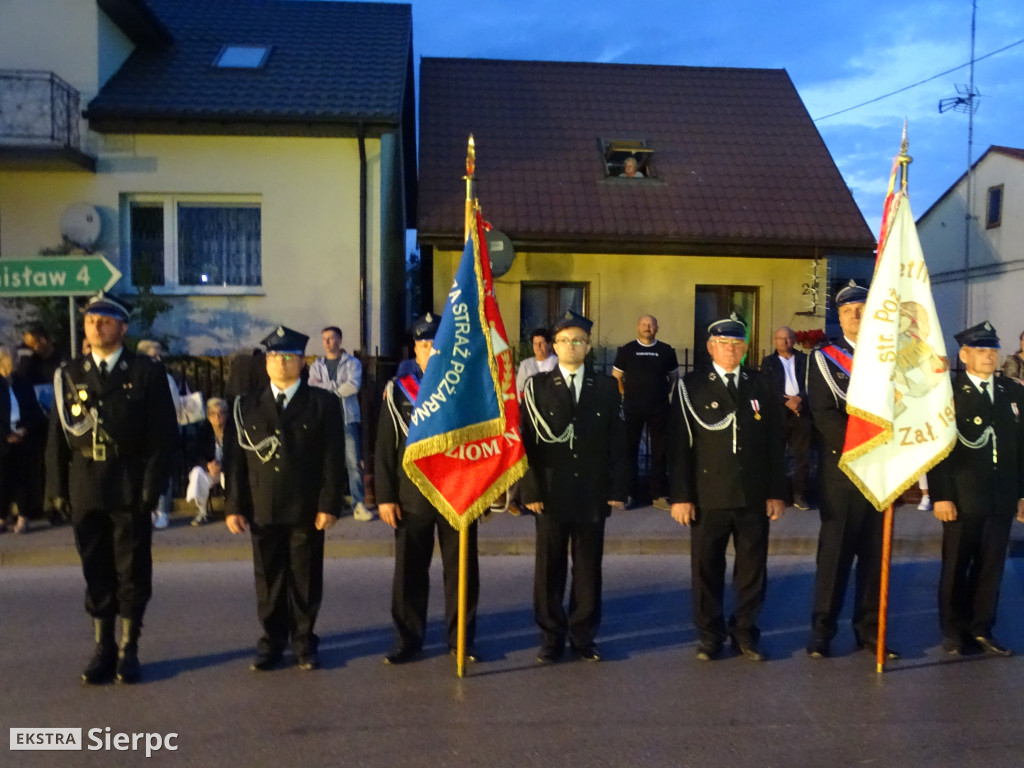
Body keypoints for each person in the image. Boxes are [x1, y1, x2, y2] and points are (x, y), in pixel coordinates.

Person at [46, 294, 178, 684]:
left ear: (123, 327)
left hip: (128, 481)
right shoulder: (70, 373)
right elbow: (57, 437)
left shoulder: (145, 372)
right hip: (86, 482)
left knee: (132, 567)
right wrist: (56, 487)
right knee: (95, 566)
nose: (96, 326)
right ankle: (102, 647)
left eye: (105, 320)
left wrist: (151, 489)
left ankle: (128, 648)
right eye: (90, 320)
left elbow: (162, 438)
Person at [225, 326, 347, 672]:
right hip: (262, 507)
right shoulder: (246, 406)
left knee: (306, 576)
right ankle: (272, 640)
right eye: (275, 357)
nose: (281, 363)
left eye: (289, 357)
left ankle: (304, 641)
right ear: (266, 362)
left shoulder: (321, 403)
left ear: (302, 362)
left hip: (305, 507)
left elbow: (332, 459)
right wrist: (234, 506)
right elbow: (234, 461)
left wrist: (329, 504)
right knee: (268, 578)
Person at [667, 313, 785, 661]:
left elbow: (774, 444)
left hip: (752, 494)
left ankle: (745, 632)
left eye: (737, 343)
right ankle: (709, 634)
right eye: (723, 343)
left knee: (752, 569)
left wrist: (776, 492)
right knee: (706, 568)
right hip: (708, 495)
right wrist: (681, 496)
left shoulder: (760, 384)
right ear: (710, 347)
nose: (730, 349)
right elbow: (678, 446)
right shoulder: (691, 386)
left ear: (745, 347)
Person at [521, 310, 628, 663]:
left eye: (578, 340)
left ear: (588, 347)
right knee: (549, 567)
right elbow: (527, 444)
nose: (572, 346)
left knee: (587, 567)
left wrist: (617, 488)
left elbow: (617, 441)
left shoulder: (607, 387)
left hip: (591, 492)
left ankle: (583, 635)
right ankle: (551, 637)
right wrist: (531, 490)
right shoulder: (536, 387)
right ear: (554, 345)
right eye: (565, 340)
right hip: (550, 493)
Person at [375, 312, 482, 664]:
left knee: (462, 571)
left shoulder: (467, 386)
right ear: (415, 351)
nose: (430, 349)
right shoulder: (398, 390)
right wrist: (386, 496)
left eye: (437, 343)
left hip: (458, 492)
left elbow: (482, 442)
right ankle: (408, 640)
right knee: (409, 571)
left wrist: (482, 488)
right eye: (424, 344)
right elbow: (384, 446)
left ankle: (461, 640)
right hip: (412, 495)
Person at [805, 281, 898, 660]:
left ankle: (870, 633)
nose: (856, 315)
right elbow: (825, 415)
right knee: (835, 557)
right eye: (847, 311)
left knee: (877, 558)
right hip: (843, 473)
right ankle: (822, 633)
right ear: (838, 317)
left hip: (882, 475)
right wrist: (866, 450)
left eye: (861, 309)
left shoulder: (889, 355)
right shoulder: (825, 357)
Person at [929, 321, 1024, 656]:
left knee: (991, 566)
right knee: (957, 565)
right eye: (982, 350)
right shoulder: (948, 393)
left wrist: (1022, 494)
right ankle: (954, 632)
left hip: (1000, 497)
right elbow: (938, 450)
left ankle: (982, 628)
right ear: (964, 354)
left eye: (994, 350)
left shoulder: (1012, 392)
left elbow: (1019, 447)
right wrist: (941, 495)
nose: (990, 356)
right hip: (961, 496)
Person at [308, 326, 374, 522]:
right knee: (326, 463)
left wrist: (327, 391)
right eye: (324, 339)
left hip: (347, 418)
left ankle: (358, 504)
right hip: (324, 421)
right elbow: (313, 387)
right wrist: (336, 388)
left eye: (331, 338)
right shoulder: (316, 365)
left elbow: (353, 385)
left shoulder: (352, 363)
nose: (327, 342)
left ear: (340, 340)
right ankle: (330, 503)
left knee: (353, 462)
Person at [612, 314, 678, 510]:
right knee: (629, 451)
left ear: (657, 328)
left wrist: (663, 393)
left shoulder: (666, 350)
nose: (647, 327)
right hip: (632, 408)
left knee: (660, 452)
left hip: (659, 409)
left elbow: (674, 377)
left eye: (651, 325)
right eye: (644, 324)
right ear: (637, 327)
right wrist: (625, 394)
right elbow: (616, 377)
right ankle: (629, 494)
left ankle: (659, 495)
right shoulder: (627, 350)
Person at [760, 326, 812, 509]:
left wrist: (800, 400)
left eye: (788, 338)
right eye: (781, 338)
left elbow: (812, 383)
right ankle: (778, 495)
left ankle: (800, 495)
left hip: (801, 413)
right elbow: (768, 388)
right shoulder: (769, 362)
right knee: (776, 456)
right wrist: (786, 402)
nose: (785, 342)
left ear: (794, 340)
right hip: (779, 415)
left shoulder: (805, 360)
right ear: (775, 341)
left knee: (802, 457)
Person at [0, 345, 48, 534]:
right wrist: (5, 435)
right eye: (10, 357)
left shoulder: (22, 382)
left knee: (23, 479)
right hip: (3, 439)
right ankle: (2, 516)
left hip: (23, 437)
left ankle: (23, 516)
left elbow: (35, 411)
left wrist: (25, 430)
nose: (15, 361)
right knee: (3, 480)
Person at [136, 340, 183, 530]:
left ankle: (162, 510)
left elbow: (175, 407)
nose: (159, 358)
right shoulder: (135, 376)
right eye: (155, 355)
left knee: (162, 472)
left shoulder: (166, 378)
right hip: (140, 435)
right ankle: (150, 510)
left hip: (161, 434)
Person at [184, 397, 235, 526]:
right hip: (210, 470)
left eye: (221, 413)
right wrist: (207, 465)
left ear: (226, 414)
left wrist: (223, 466)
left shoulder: (233, 430)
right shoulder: (204, 431)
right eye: (213, 414)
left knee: (231, 477)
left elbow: (237, 454)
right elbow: (194, 454)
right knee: (197, 474)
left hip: (227, 469)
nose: (217, 417)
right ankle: (202, 513)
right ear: (208, 416)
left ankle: (233, 512)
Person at [515, 327, 558, 397]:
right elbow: (520, 389)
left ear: (549, 344)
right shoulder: (525, 365)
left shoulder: (557, 363)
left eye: (541, 343)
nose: (538, 346)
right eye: (535, 343)